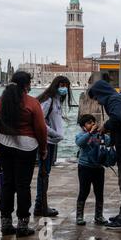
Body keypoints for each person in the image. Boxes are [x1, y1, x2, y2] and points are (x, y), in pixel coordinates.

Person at [0, 71, 48, 237]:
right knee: (23, 185)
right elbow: (41, 129)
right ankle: (22, 225)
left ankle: (6, 224)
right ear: (26, 85)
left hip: (3, 145)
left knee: (8, 184)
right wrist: (43, 149)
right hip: (27, 148)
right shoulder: (31, 103)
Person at [88, 80, 121, 229]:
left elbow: (117, 118)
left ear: (101, 93)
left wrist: (105, 126)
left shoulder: (113, 100)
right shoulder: (116, 98)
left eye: (97, 97)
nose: (98, 102)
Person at [34, 76, 73, 217]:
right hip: (47, 142)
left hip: (52, 141)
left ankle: (42, 204)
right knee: (43, 174)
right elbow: (40, 122)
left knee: (46, 173)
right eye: (61, 85)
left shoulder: (56, 100)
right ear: (55, 85)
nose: (64, 88)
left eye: (66, 85)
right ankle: (40, 205)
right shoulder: (48, 100)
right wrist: (54, 134)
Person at [75, 114, 111, 226]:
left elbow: (109, 141)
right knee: (83, 191)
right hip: (84, 167)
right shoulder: (81, 135)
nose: (92, 124)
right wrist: (90, 133)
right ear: (83, 127)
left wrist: (104, 132)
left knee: (99, 192)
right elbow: (80, 143)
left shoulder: (99, 135)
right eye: (89, 123)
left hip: (98, 168)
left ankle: (99, 216)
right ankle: (79, 216)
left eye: (93, 122)